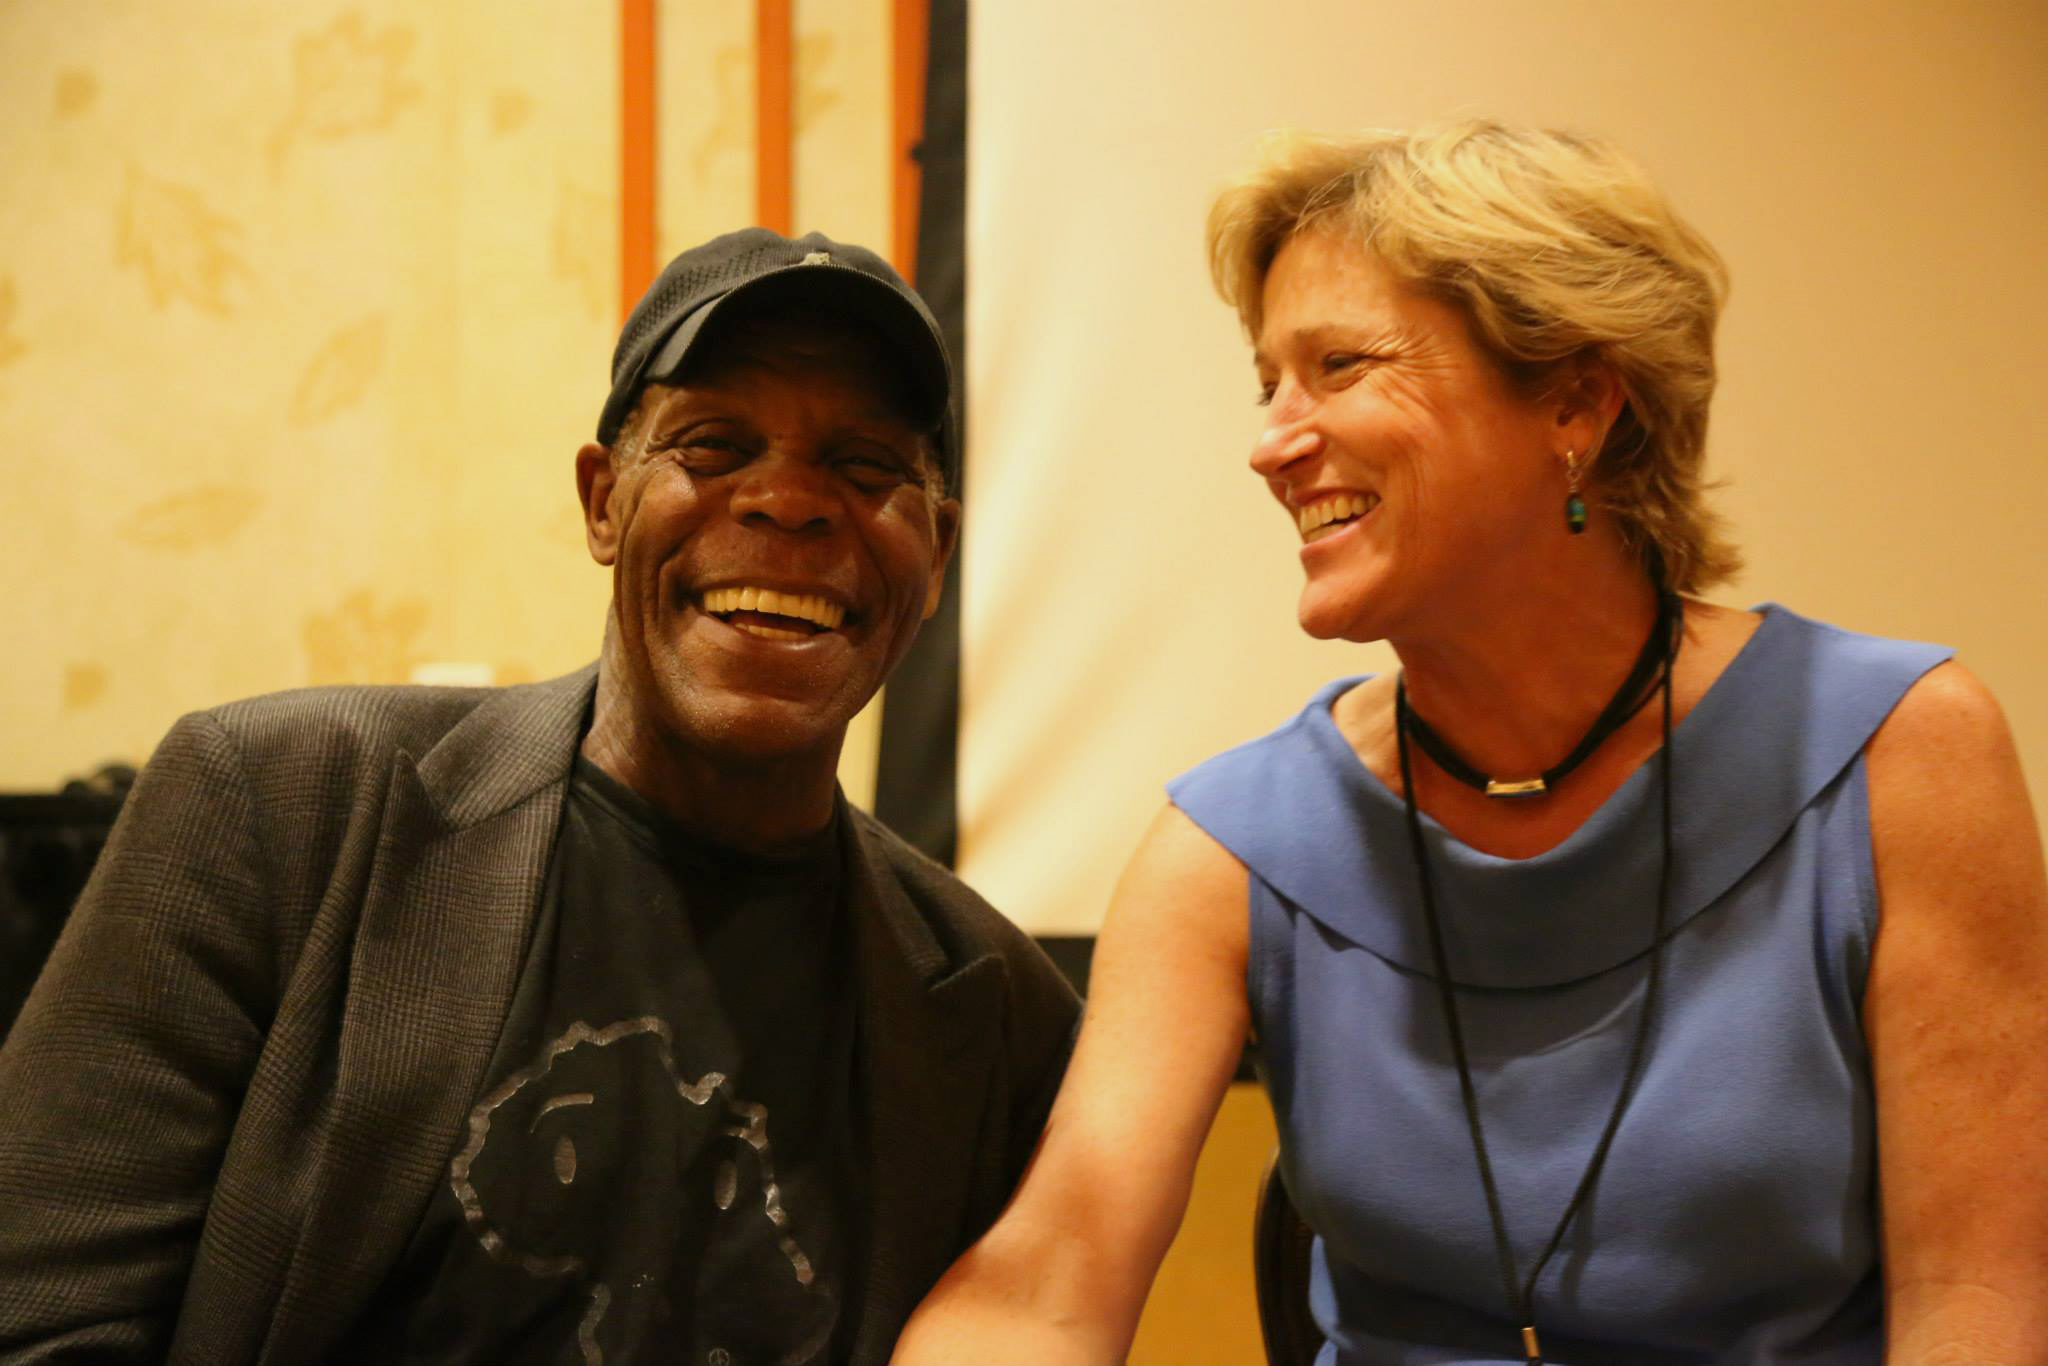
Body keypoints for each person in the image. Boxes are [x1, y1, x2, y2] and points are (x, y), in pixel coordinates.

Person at [890, 122, 2048, 1365]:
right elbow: (1046, 1285)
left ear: (1574, 403)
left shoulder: (1894, 755)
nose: (1271, 441)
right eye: (1267, 382)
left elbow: (1974, 1304)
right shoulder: (1230, 849)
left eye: (1339, 365)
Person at [0, 227, 1080, 1366]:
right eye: (714, 444)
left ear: (937, 551)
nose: (787, 502)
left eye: (866, 469)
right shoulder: (281, 809)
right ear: (602, 499)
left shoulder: (1000, 1020)